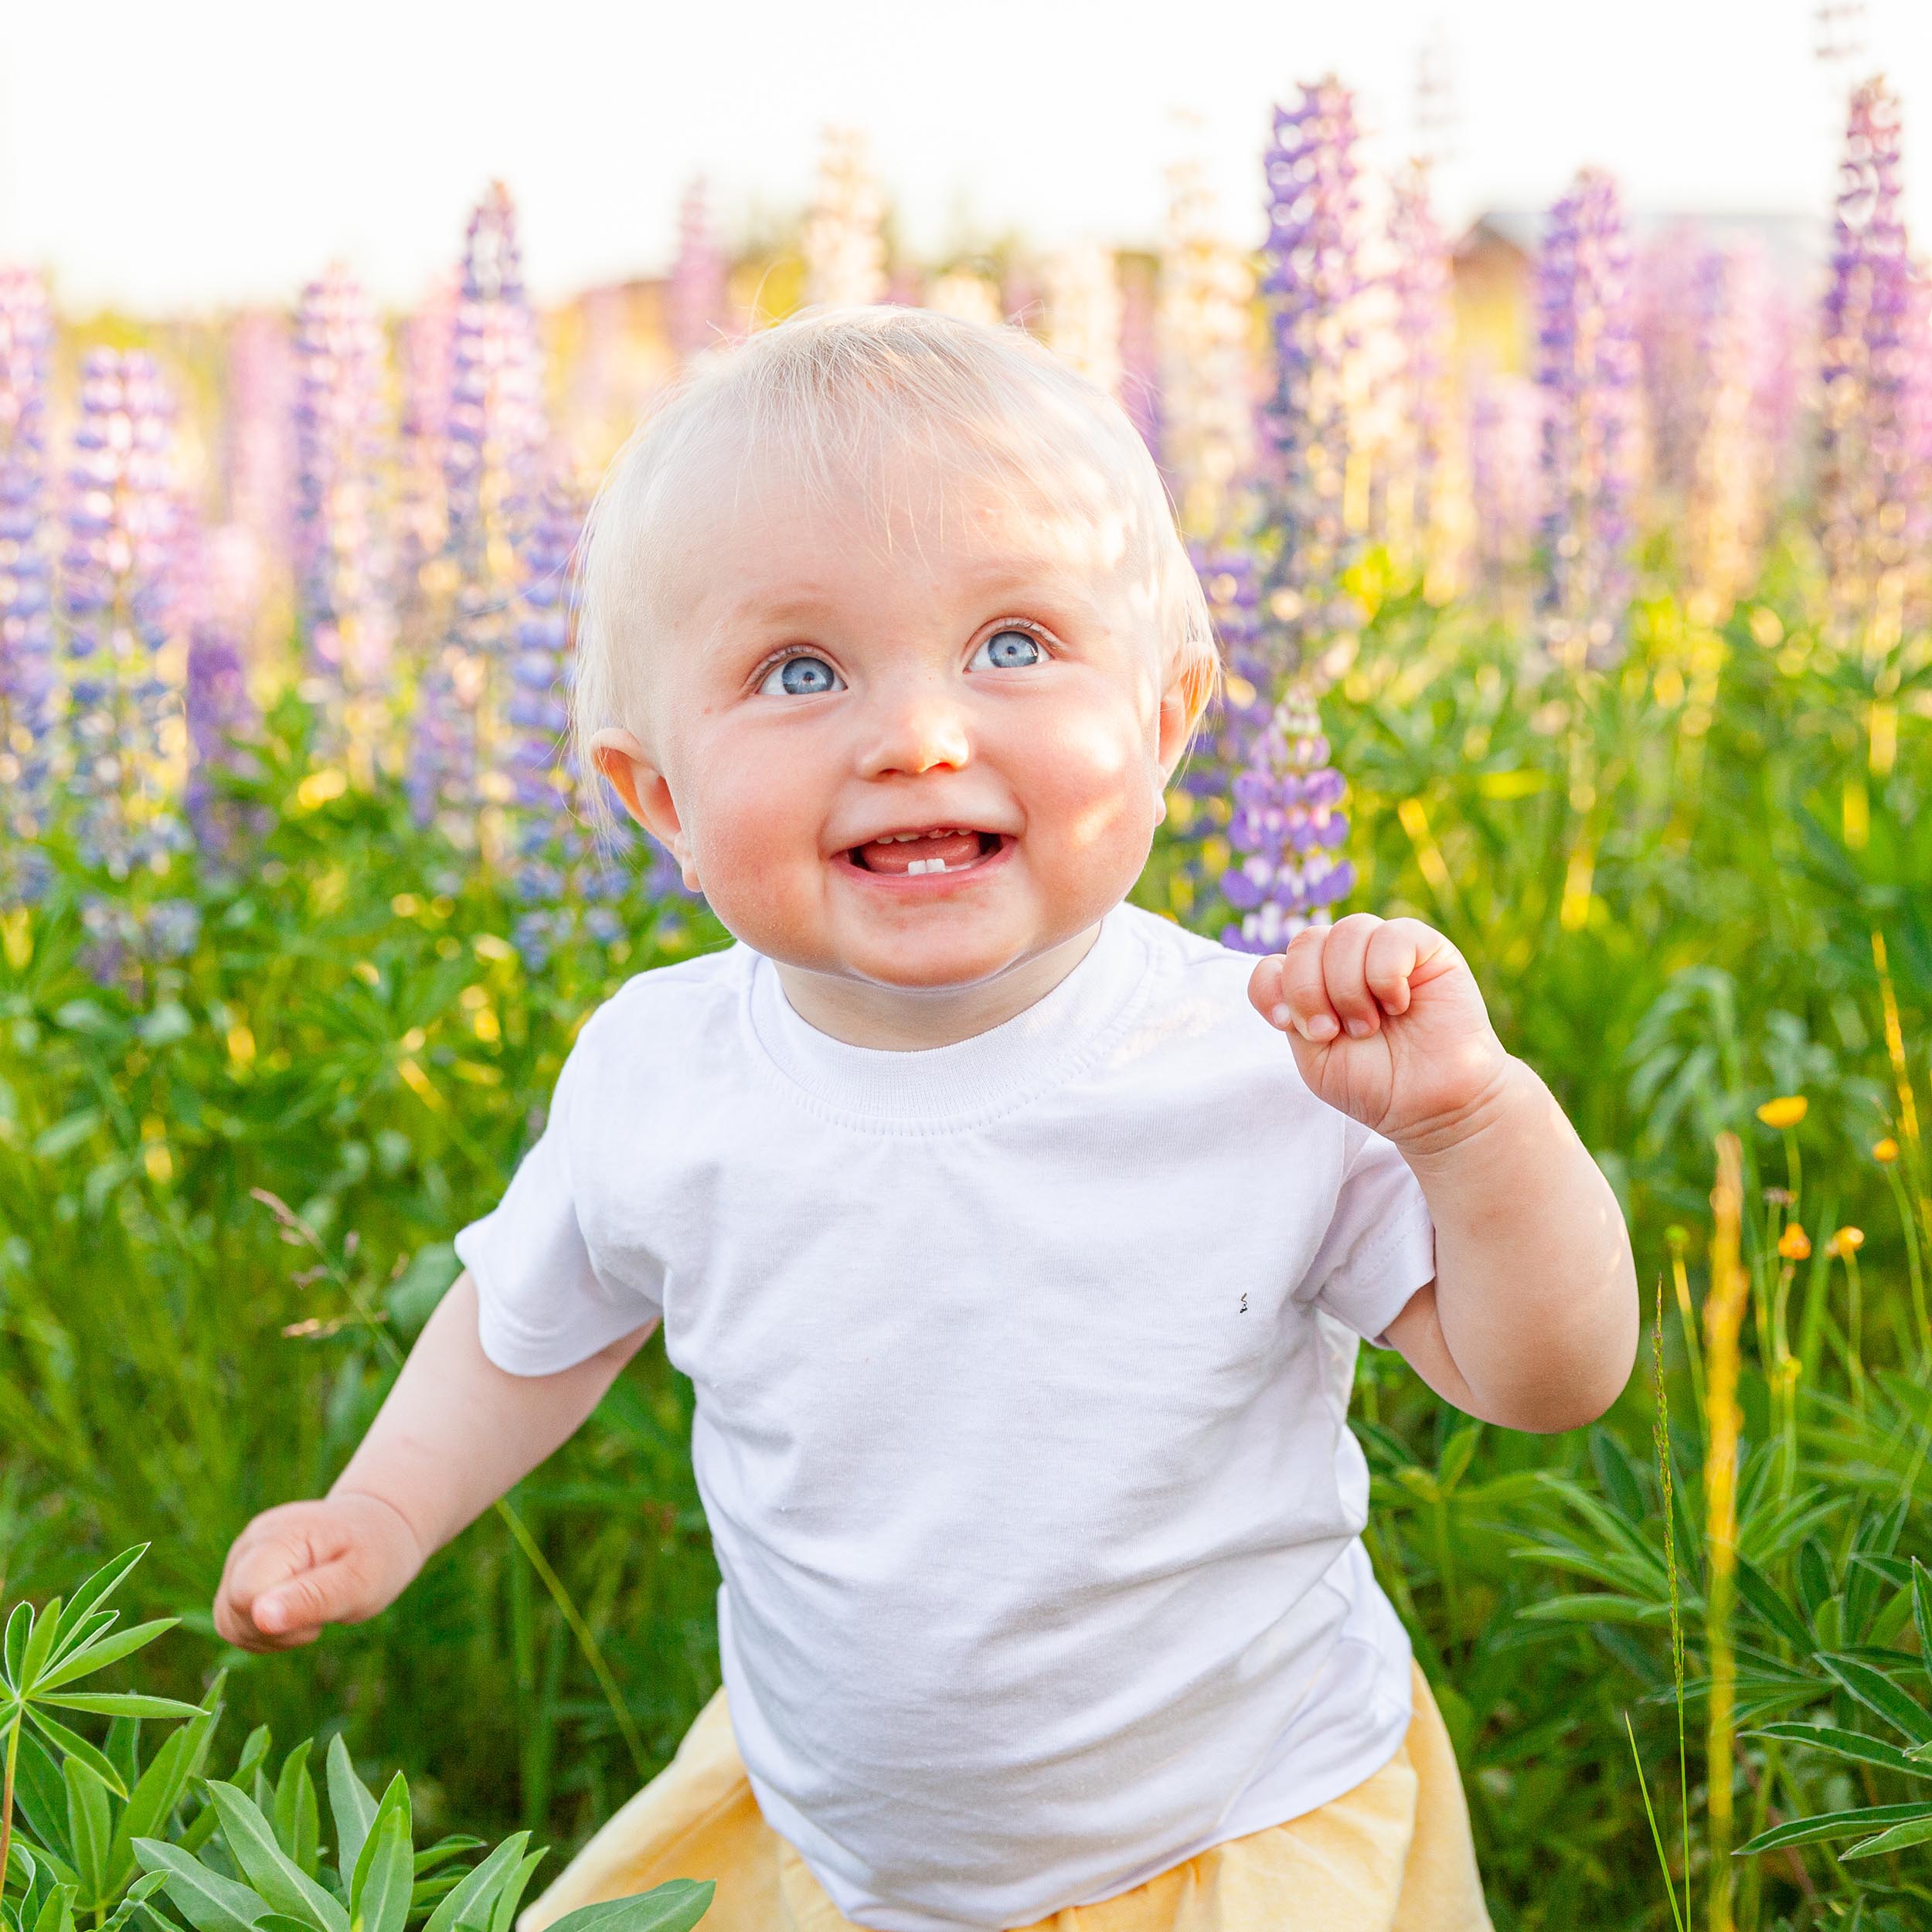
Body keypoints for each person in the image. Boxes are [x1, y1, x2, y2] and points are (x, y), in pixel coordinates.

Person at [214, 306, 1638, 1932]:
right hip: (841, 1853)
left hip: (1232, 1833)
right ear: (659, 796)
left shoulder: (1260, 1056)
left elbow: (1547, 1377)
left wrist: (1467, 1122)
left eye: (1013, 643)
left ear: (1169, 721)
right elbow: (526, 1325)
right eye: (797, 669)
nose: (914, 733)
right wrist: (382, 1509)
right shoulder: (659, 1069)